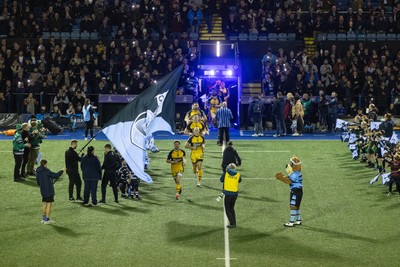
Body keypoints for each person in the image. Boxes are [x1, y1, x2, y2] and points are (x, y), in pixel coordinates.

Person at [275, 155, 303, 227]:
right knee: (297, 206)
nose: (290, 165)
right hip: (299, 191)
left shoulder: (294, 175)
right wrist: (283, 177)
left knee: (292, 206)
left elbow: (289, 181)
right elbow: (289, 178)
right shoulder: (297, 173)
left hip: (295, 191)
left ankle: (291, 222)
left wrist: (281, 178)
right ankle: (298, 220)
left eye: (291, 164)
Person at [36, 159, 64, 224]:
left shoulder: (37, 171)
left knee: (44, 203)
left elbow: (38, 182)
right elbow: (55, 175)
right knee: (49, 203)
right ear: (45, 164)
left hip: (42, 190)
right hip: (48, 190)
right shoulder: (46, 171)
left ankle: (44, 218)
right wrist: (62, 170)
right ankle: (47, 219)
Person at [220, 163, 242, 228]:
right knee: (231, 208)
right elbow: (240, 180)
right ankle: (234, 222)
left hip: (228, 194)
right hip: (235, 194)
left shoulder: (226, 173)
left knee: (227, 209)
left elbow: (221, 180)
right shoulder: (238, 174)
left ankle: (232, 223)